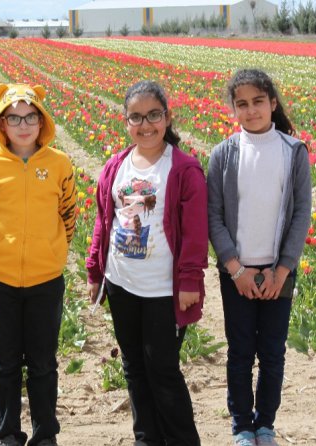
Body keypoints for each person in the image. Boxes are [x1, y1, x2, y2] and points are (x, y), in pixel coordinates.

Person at [85, 80, 207, 446]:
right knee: (134, 368)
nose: (146, 124)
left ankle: (182, 441)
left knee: (163, 371)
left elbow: (196, 233)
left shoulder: (183, 169)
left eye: (154, 115)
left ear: (167, 118)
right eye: (136, 117)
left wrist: (189, 281)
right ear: (126, 122)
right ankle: (146, 439)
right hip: (122, 283)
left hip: (162, 289)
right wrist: (95, 271)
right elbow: (103, 220)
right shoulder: (116, 166)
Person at [207, 69, 311, 446]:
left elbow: (301, 214)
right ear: (233, 109)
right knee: (239, 352)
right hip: (237, 273)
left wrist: (282, 270)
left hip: (278, 273)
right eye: (242, 104)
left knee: (271, 352)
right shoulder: (223, 154)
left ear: (273, 103)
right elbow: (214, 217)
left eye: (258, 102)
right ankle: (241, 427)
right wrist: (236, 269)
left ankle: (264, 423)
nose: (251, 111)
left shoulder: (293, 151)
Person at [0, 83, 77, 446]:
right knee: (5, 362)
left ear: (42, 119)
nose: (23, 125)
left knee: (44, 362)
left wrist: (53, 250)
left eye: (30, 116)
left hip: (46, 276)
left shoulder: (60, 164)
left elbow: (68, 216)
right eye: (13, 118)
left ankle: (46, 434)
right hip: (0, 277)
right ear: (1, 124)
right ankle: (8, 434)